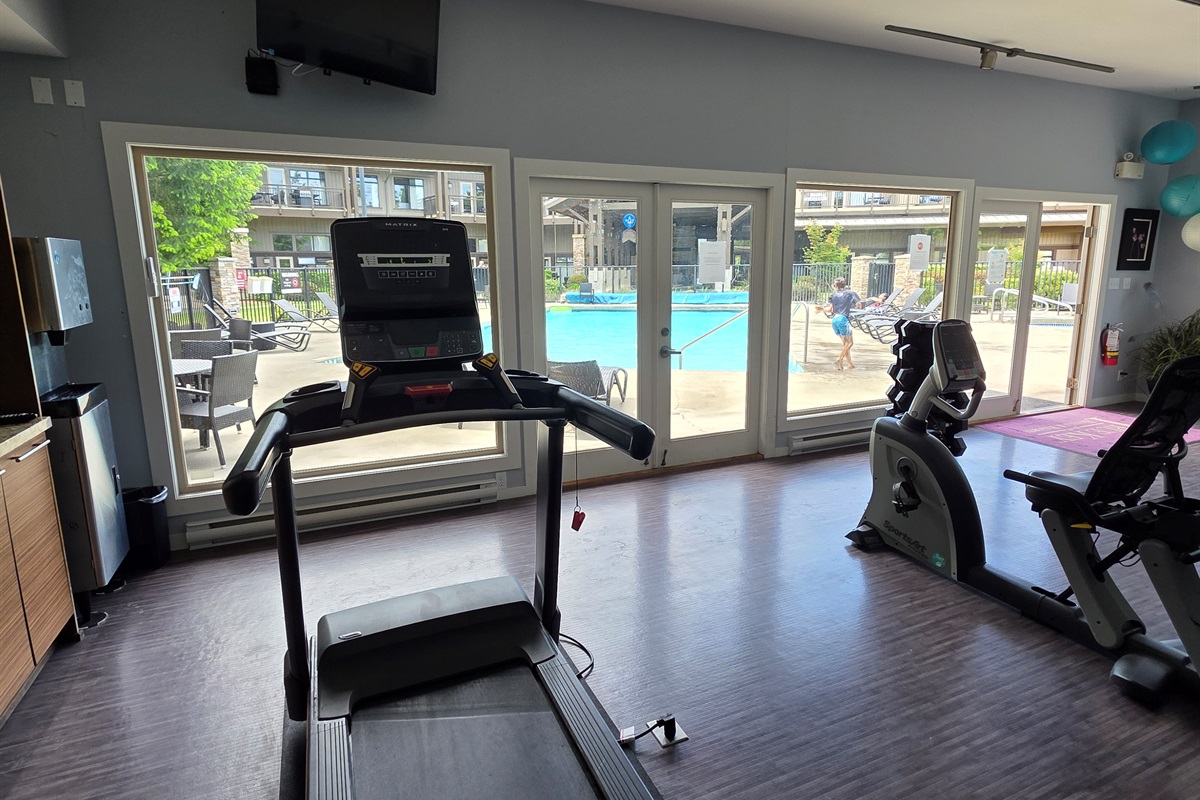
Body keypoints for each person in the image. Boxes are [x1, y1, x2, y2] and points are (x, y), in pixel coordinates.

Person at [816, 277, 864, 370]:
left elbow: (830, 310)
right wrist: (858, 307)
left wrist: (821, 309)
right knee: (850, 343)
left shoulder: (833, 296)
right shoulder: (851, 293)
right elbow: (859, 305)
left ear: (835, 285)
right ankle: (840, 359)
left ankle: (850, 364)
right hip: (843, 319)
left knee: (845, 344)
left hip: (835, 320)